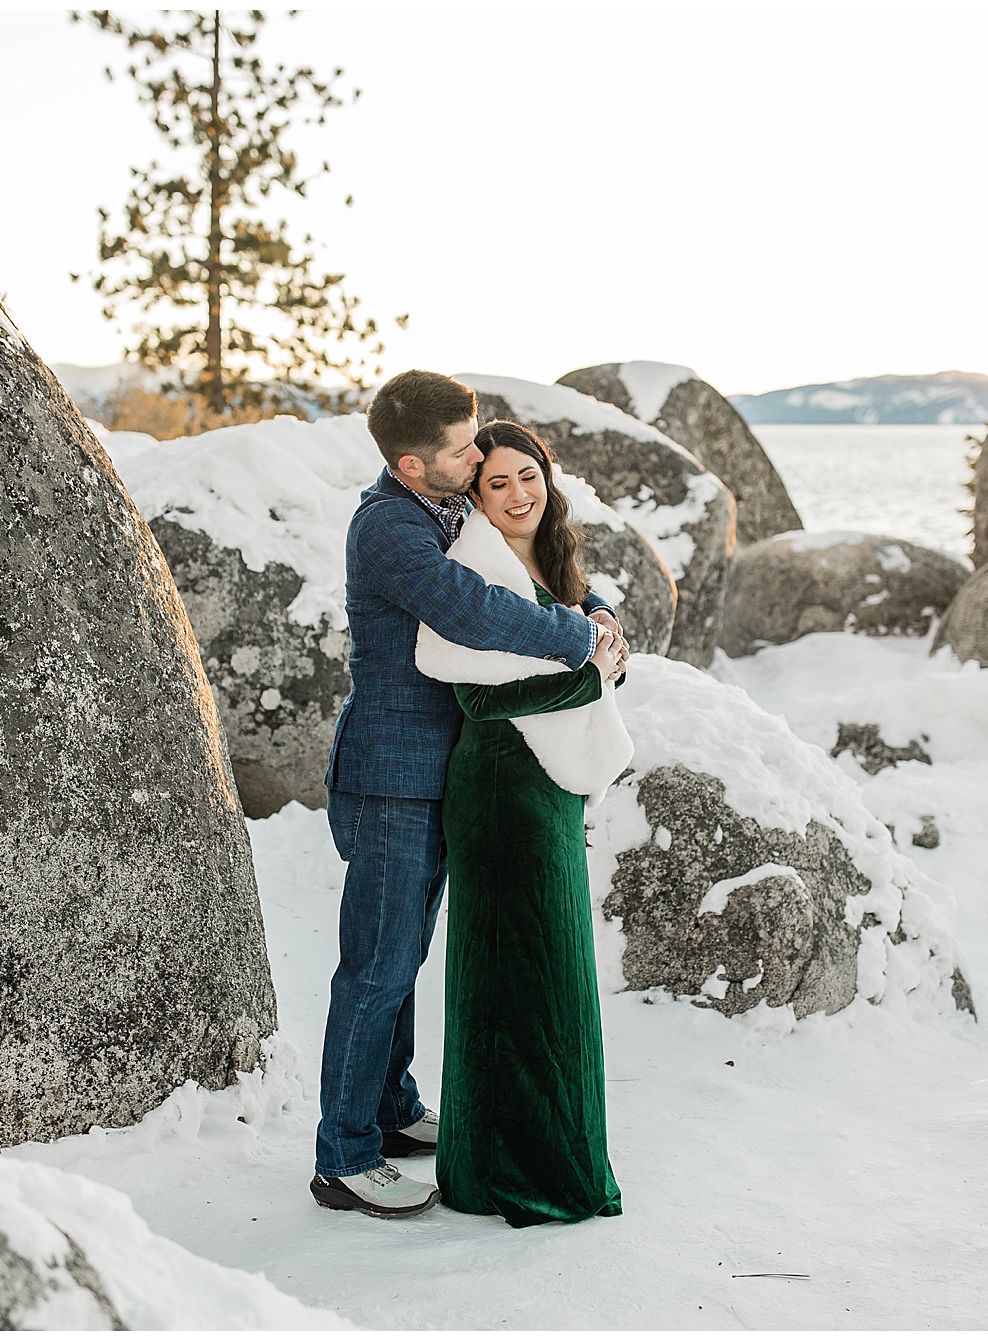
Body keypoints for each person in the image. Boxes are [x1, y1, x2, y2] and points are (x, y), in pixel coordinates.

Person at [311, 372, 627, 1219]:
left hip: (440, 771)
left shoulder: (444, 503)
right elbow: (470, 605)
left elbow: (520, 557)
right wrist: (577, 641)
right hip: (391, 777)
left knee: (403, 954)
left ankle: (392, 1104)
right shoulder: (388, 528)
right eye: (462, 448)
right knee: (377, 965)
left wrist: (588, 603)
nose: (480, 454)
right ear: (414, 465)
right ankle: (342, 1155)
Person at [425, 419, 629, 1227]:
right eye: (496, 483)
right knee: (515, 980)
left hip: (548, 791)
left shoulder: (551, 559)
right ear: (474, 496)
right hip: (500, 790)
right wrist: (589, 680)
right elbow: (477, 698)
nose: (516, 494)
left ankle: (547, 1153)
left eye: (527, 476)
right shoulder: (474, 566)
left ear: (548, 476)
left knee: (556, 977)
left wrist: (605, 636)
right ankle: (512, 1172)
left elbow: (586, 636)